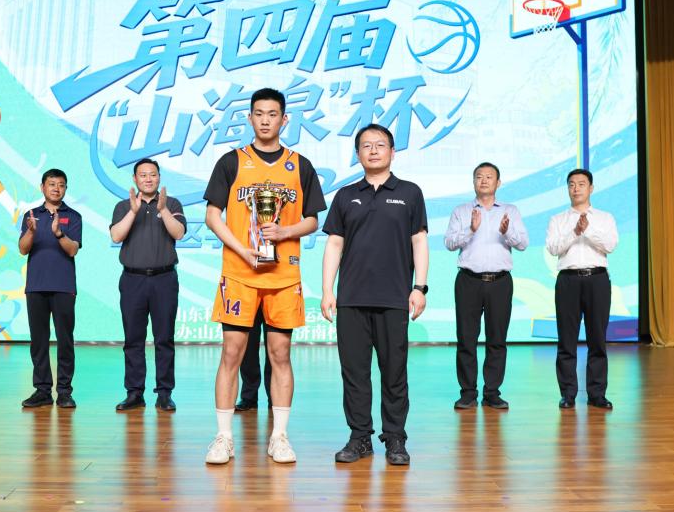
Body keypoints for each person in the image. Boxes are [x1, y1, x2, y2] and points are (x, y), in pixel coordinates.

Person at [203, 87, 326, 465]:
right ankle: (223, 437)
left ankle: (280, 436)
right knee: (231, 353)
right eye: (259, 113)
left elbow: (312, 220)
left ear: (284, 119)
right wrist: (242, 249)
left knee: (280, 354)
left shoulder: (299, 165)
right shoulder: (231, 161)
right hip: (239, 273)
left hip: (283, 275)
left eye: (273, 114)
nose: (266, 120)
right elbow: (212, 216)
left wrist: (284, 232)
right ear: (250, 117)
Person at [321, 123, 428, 467]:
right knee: (354, 373)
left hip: (394, 298)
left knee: (394, 372)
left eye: (380, 145)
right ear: (358, 154)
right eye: (366, 145)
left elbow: (419, 241)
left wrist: (420, 287)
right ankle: (360, 437)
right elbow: (334, 243)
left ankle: (395, 437)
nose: (373, 150)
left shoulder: (410, 193)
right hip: (351, 298)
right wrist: (327, 290)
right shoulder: (345, 195)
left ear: (392, 152)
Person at [444, 162, 528, 410]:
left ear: (498, 183)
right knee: (466, 339)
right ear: (473, 182)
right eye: (479, 177)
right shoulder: (461, 211)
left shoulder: (510, 211)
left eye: (489, 177)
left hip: (500, 282)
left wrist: (507, 232)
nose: (484, 180)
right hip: (468, 281)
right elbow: (449, 243)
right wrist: (471, 229)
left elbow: (522, 244)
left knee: (497, 339)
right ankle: (468, 392)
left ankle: (492, 392)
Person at [109, 158, 186, 412]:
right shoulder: (123, 206)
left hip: (164, 279)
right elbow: (116, 235)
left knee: (164, 338)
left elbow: (178, 233)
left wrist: (163, 210)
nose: (148, 179)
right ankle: (134, 393)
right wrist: (133, 211)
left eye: (152, 174)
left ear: (159, 177)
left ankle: (164, 393)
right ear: (135, 179)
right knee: (133, 339)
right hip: (133, 280)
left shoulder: (172, 204)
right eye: (143, 175)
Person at [545, 168, 619, 410]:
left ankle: (597, 394)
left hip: (597, 280)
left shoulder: (605, 218)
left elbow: (610, 245)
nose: (576, 188)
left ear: (591, 188)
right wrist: (574, 232)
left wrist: (588, 230)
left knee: (597, 339)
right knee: (566, 340)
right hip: (568, 280)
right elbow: (553, 248)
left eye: (581, 184)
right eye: (571, 184)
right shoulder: (558, 220)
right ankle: (568, 394)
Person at [19, 169, 82, 409]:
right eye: (52, 184)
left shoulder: (73, 216)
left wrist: (58, 233)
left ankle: (64, 391)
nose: (56, 188)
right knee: (39, 340)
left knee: (65, 340)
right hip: (36, 286)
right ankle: (42, 390)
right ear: (42, 187)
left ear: (66, 189)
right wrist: (31, 231)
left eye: (61, 185)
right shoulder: (31, 216)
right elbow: (23, 249)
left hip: (63, 286)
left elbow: (72, 249)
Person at [235, 309, 272, 411]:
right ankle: (249, 398)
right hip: (250, 301)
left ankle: (275, 398)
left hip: (275, 300)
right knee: (248, 348)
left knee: (276, 352)